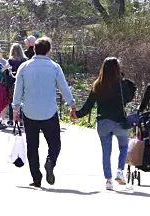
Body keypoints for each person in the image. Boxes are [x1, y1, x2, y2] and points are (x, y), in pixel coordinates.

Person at [13, 37, 76, 188]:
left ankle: (36, 178)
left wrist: (16, 108)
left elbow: (18, 89)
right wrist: (72, 105)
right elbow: (64, 87)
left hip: (29, 111)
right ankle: (50, 161)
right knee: (55, 143)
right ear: (49, 50)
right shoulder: (54, 67)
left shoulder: (24, 67)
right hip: (49, 111)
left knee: (32, 146)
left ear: (34, 49)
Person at [76, 57, 134, 190]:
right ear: (118, 69)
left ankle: (108, 180)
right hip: (120, 122)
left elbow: (88, 106)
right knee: (123, 147)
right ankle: (119, 171)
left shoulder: (98, 85)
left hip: (103, 122)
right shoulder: (122, 85)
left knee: (106, 152)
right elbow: (130, 95)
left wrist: (77, 114)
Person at [7, 43, 27, 125]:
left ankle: (11, 118)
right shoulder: (25, 61)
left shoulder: (10, 61)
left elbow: (7, 73)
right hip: (23, 82)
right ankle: (21, 119)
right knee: (22, 100)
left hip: (12, 83)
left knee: (12, 101)